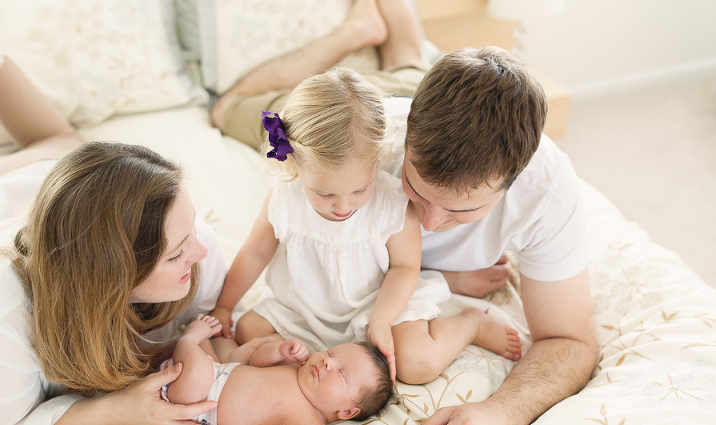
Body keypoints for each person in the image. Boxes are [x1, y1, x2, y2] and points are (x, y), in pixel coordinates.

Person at [210, 0, 597, 425]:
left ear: (514, 179)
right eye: (414, 189)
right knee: (226, 110)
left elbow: (571, 339)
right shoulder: (359, 151)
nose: (429, 223)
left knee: (410, 62)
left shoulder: (548, 191)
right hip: (377, 101)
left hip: (406, 107)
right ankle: (360, 32)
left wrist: (505, 412)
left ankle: (404, 42)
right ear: (404, 138)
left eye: (462, 211)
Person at [0, 2, 229, 425]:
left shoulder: (190, 239)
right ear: (109, 273)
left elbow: (219, 319)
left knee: (58, 143)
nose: (200, 250)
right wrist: (119, 409)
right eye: (176, 255)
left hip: (58, 187)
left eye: (190, 230)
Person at [209, 66, 521, 384]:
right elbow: (254, 254)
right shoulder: (284, 200)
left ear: (378, 161)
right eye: (325, 193)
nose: (343, 206)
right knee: (249, 329)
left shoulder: (392, 203)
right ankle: (302, 360)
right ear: (294, 164)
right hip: (303, 308)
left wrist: (382, 321)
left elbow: (404, 267)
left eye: (360, 189)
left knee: (417, 364)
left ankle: (470, 325)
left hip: (376, 303)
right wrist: (224, 307)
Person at [160, 315, 392, 425]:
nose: (327, 363)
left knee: (199, 370)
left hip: (198, 406)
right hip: (215, 370)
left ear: (347, 411)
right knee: (210, 356)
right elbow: (256, 362)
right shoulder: (297, 368)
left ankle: (188, 337)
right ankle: (172, 349)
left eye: (341, 374)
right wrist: (279, 351)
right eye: (330, 353)